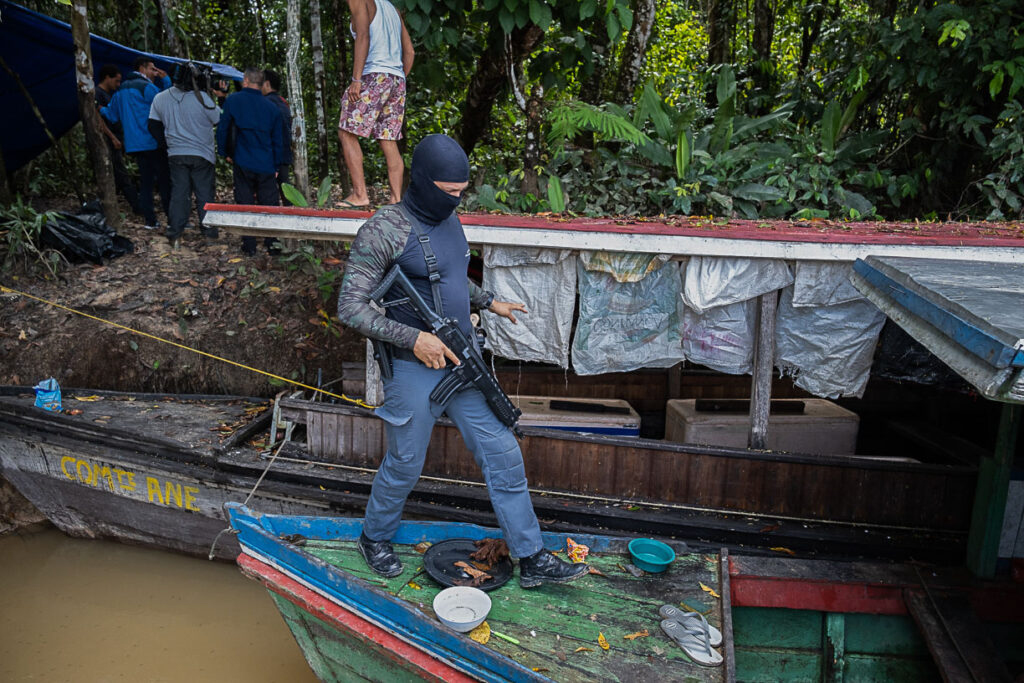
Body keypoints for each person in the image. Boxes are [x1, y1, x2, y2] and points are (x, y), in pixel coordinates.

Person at [336, 134, 589, 589]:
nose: (456, 200)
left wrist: (491, 302)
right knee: (406, 462)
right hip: (414, 367)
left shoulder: (450, 221)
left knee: (503, 453)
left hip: (463, 360)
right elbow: (350, 306)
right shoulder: (384, 229)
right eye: (448, 192)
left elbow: (449, 280)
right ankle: (373, 538)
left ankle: (531, 557)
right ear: (422, 182)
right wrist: (414, 338)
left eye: (461, 192)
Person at [338, 0, 414, 208]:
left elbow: (363, 36)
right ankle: (396, 198)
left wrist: (356, 80)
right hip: (396, 78)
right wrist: (396, 80)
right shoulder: (392, 9)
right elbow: (410, 52)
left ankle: (360, 194)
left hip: (373, 74)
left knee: (347, 132)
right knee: (388, 140)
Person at [148, 63, 221, 248]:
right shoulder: (203, 98)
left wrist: (166, 144)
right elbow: (218, 120)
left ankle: (175, 234)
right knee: (204, 193)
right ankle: (209, 234)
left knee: (179, 193)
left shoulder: (160, 98)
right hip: (202, 154)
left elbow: (153, 126)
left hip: (176, 153)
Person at [216, 67, 283, 255]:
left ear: (245, 80)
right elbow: (278, 140)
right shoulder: (272, 107)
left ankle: (250, 245)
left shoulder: (233, 100)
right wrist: (277, 164)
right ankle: (272, 245)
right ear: (261, 84)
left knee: (244, 202)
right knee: (269, 204)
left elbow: (223, 129)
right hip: (266, 163)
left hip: (243, 159)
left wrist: (225, 152)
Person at [101, 57, 171, 230]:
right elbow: (167, 104)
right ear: (142, 69)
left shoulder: (119, 91)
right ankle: (173, 219)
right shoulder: (147, 87)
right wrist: (166, 80)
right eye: (152, 69)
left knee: (146, 183)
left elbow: (111, 115)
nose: (155, 72)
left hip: (135, 145)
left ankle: (150, 221)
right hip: (153, 142)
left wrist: (99, 108)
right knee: (165, 181)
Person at [94, 64, 140, 215]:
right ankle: (137, 206)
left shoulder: (111, 95)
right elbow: (98, 119)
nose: (118, 85)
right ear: (107, 78)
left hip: (118, 138)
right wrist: (113, 138)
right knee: (121, 174)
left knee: (119, 174)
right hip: (108, 140)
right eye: (116, 81)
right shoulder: (97, 94)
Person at [261, 68, 293, 204]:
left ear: (267, 84)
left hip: (270, 154)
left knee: (268, 192)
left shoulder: (265, 103)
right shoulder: (283, 102)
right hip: (284, 154)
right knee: (285, 188)